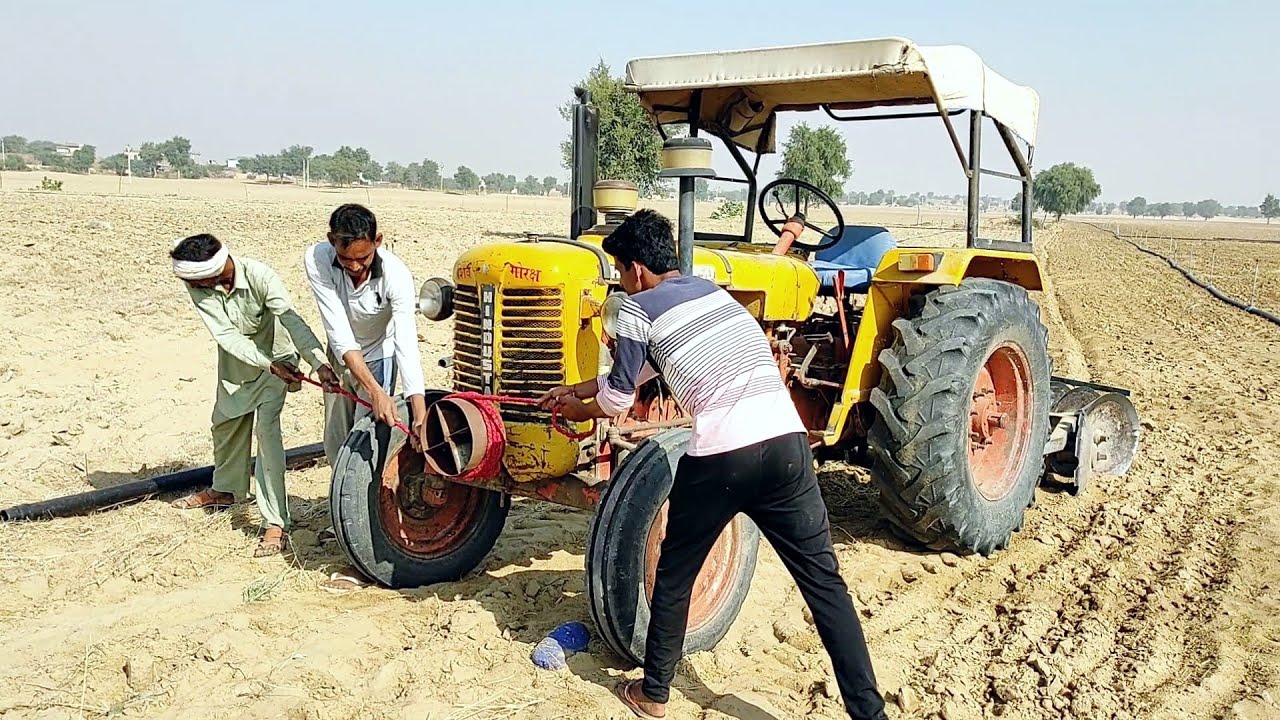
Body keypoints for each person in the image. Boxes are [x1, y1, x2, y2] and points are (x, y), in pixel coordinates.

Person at [539, 210, 888, 720]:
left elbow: (618, 399)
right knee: (824, 585)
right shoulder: (713, 294)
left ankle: (654, 694)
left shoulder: (636, 308)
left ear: (636, 269)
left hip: (724, 455)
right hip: (787, 445)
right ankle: (870, 714)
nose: (621, 282)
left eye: (619, 272)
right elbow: (646, 370)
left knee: (676, 571)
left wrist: (580, 408)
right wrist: (577, 387)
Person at [169, 233, 339, 557]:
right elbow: (226, 335)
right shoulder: (198, 286)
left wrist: (318, 363)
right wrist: (266, 364)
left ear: (213, 270)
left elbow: (291, 321)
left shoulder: (260, 276)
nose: (194, 286)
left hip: (279, 361)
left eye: (198, 280)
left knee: (267, 432)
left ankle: (275, 521)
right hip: (239, 365)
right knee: (225, 424)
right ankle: (226, 490)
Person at [304, 203, 429, 465]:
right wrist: (375, 392)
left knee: (366, 442)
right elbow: (339, 332)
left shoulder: (397, 275)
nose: (355, 266)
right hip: (340, 356)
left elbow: (406, 344)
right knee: (336, 441)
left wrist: (419, 415)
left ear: (378, 241)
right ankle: (339, 487)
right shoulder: (317, 259)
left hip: (378, 356)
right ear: (332, 241)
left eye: (363, 258)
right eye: (345, 258)